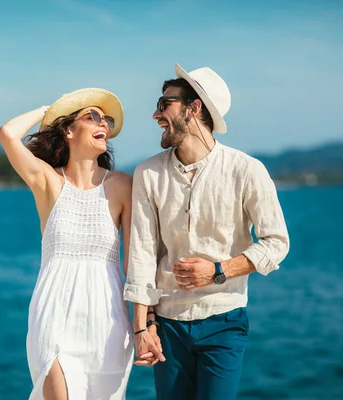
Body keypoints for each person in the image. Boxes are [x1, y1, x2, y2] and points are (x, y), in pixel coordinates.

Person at [124, 64, 290, 400]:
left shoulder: (246, 170)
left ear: (194, 107)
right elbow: (142, 252)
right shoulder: (148, 172)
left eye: (164, 103)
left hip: (224, 322)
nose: (155, 113)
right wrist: (142, 326)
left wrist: (217, 270)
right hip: (166, 326)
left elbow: (277, 243)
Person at [0, 88, 134, 400]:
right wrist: (50, 110)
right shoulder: (48, 181)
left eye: (107, 120)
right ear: (69, 130)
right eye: (93, 117)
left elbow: (132, 263)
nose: (104, 125)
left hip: (107, 320)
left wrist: (145, 322)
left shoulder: (122, 185)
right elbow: (8, 134)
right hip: (54, 316)